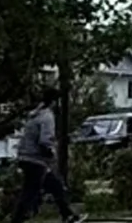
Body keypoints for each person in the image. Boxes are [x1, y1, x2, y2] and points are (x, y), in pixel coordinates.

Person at [11, 88, 82, 223]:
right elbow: (45, 141)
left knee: (55, 185)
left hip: (27, 157)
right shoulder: (47, 117)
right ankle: (17, 220)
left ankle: (67, 214)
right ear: (54, 102)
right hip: (35, 159)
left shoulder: (35, 115)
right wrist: (51, 156)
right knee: (30, 192)